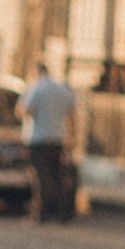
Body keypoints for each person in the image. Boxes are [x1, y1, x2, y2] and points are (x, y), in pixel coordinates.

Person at [21, 61, 77, 222]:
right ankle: (61, 212)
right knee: (56, 176)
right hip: (57, 138)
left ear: (36, 72)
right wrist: (71, 137)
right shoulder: (61, 89)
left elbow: (24, 110)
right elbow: (72, 112)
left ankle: (42, 212)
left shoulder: (36, 88)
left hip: (38, 138)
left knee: (40, 177)